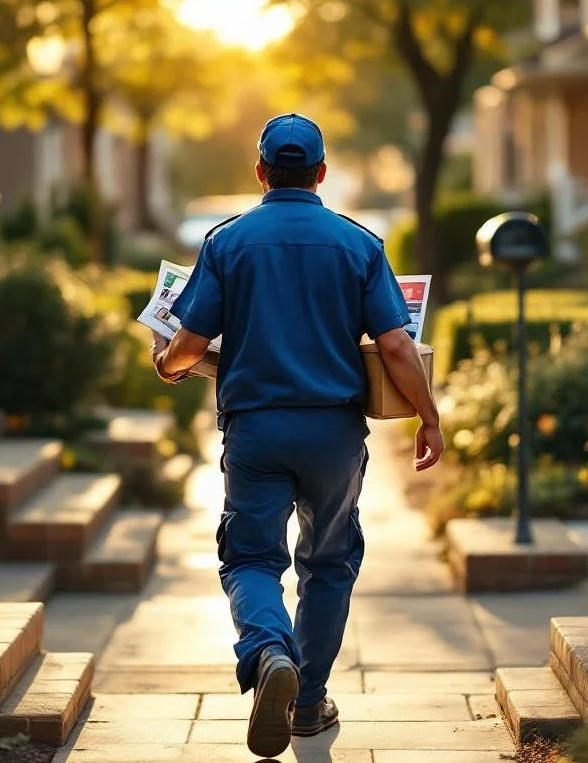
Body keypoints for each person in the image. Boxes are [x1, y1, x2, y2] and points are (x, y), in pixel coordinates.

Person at [150, 113, 444, 758]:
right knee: (329, 563)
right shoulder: (359, 244)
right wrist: (430, 417)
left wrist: (166, 363)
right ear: (321, 173)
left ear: (260, 172)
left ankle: (267, 652)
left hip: (255, 429)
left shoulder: (226, 243)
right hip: (335, 432)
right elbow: (395, 344)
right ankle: (308, 703)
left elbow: (191, 344)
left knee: (252, 558)